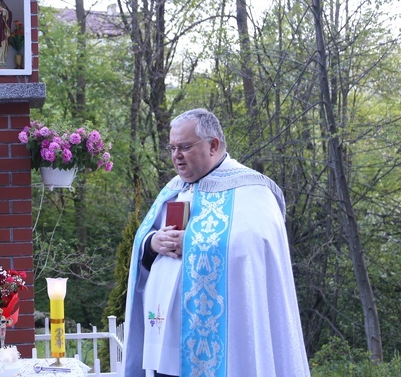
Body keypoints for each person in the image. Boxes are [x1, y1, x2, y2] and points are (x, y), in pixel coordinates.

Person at [123, 109, 310, 376]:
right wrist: (153, 242)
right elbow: (145, 241)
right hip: (165, 339)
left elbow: (250, 247)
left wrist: (194, 242)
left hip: (224, 342)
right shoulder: (174, 188)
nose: (176, 156)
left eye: (185, 147)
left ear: (213, 145)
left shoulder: (251, 190)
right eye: (172, 147)